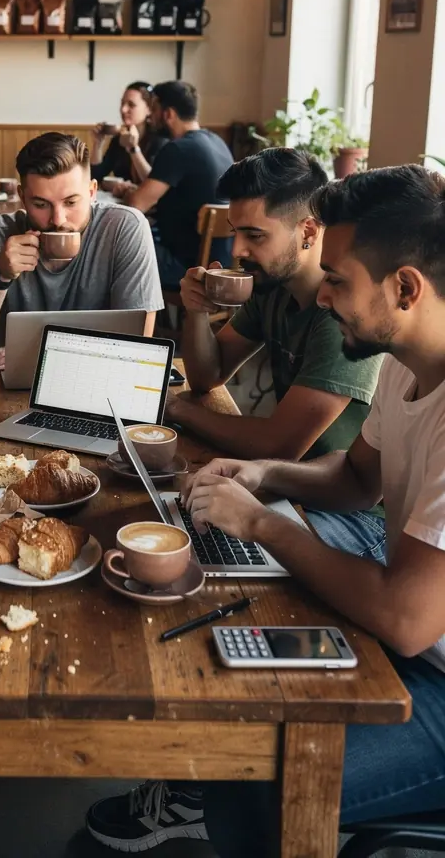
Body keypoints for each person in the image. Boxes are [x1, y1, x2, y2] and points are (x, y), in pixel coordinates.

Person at [87, 164, 445, 855]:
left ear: (405, 288)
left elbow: (406, 620)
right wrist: (262, 473)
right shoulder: (405, 354)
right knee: (229, 686)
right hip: (414, 613)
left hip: (429, 663)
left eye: (338, 280)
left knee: (251, 774)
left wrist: (259, 521)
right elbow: (356, 480)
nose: (325, 296)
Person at [167, 147, 383, 472]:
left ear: (308, 231)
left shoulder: (344, 312)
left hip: (341, 509)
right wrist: (196, 310)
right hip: (286, 480)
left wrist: (177, 410)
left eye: (255, 235)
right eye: (235, 231)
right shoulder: (272, 286)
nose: (238, 250)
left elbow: (279, 446)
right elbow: (206, 377)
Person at [0, 131, 164, 366]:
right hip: (6, 387)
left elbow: (138, 343)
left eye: (71, 202)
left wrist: (43, 354)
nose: (58, 219)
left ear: (91, 192)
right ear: (22, 197)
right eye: (40, 204)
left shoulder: (124, 227)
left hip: (98, 380)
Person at [122, 81, 233, 287]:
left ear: (168, 114)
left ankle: (137, 318)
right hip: (226, 266)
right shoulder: (217, 142)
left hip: (189, 269)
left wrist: (129, 193)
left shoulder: (178, 149)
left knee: (120, 244)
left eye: (154, 109)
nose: (150, 116)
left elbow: (135, 206)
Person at [90, 81, 167, 188]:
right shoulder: (119, 139)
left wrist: (133, 149)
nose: (123, 109)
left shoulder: (161, 141)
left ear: (149, 109)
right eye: (122, 103)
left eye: (131, 105)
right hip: (122, 201)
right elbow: (96, 177)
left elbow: (152, 184)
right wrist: (97, 144)